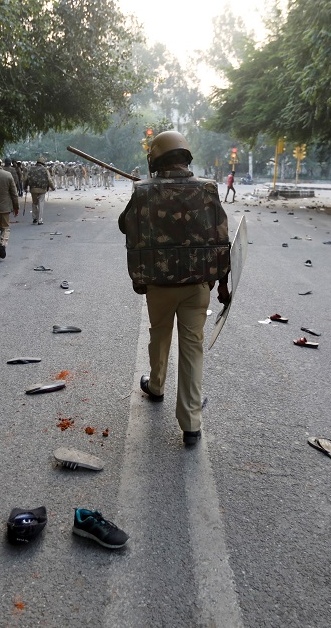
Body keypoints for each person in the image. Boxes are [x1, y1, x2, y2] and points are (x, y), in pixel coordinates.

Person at [118, 131, 231, 447]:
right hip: (197, 286)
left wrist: (141, 196)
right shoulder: (208, 190)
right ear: (186, 157)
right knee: (193, 348)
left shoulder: (143, 191)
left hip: (159, 284)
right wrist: (223, 283)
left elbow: (126, 227)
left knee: (159, 333)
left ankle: (156, 386)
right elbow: (221, 238)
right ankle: (191, 424)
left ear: (155, 159)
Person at [24, 156, 54, 225]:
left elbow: (25, 179)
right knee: (41, 203)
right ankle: (40, 220)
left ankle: (34, 218)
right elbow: (49, 180)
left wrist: (25, 187)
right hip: (42, 189)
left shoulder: (30, 169)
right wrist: (52, 187)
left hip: (33, 189)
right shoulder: (45, 169)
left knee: (34, 203)